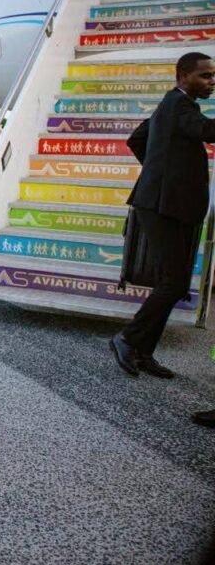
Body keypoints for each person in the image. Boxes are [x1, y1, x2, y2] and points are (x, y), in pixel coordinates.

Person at [109, 52, 215, 381]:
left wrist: (159, 172)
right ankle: (127, 339)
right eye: (205, 76)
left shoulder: (171, 104)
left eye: (213, 76)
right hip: (160, 207)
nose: (212, 82)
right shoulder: (180, 105)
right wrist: (159, 179)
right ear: (182, 76)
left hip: (166, 204)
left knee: (173, 282)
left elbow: (137, 139)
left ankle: (142, 351)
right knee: (173, 282)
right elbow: (208, 131)